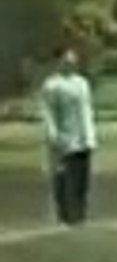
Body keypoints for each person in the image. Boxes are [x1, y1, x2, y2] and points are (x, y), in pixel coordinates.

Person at [40, 46, 98, 227]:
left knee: (82, 178)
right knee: (65, 177)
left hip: (83, 138)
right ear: (59, 62)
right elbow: (48, 112)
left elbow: (87, 110)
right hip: (64, 139)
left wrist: (90, 135)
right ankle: (66, 215)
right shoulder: (52, 85)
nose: (71, 64)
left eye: (73, 61)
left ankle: (80, 214)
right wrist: (53, 135)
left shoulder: (82, 83)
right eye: (67, 61)